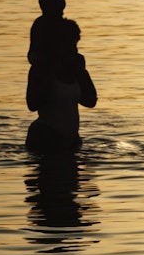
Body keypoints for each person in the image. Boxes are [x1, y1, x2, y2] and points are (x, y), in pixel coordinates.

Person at [26, 17, 97, 153]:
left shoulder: (76, 68)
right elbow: (32, 104)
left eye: (75, 43)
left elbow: (90, 101)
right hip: (45, 137)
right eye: (69, 44)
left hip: (72, 140)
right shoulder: (40, 69)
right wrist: (51, 74)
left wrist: (81, 72)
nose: (74, 49)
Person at [29, 0, 67, 65]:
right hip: (45, 62)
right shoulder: (41, 24)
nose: (62, 13)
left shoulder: (39, 23)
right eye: (59, 10)